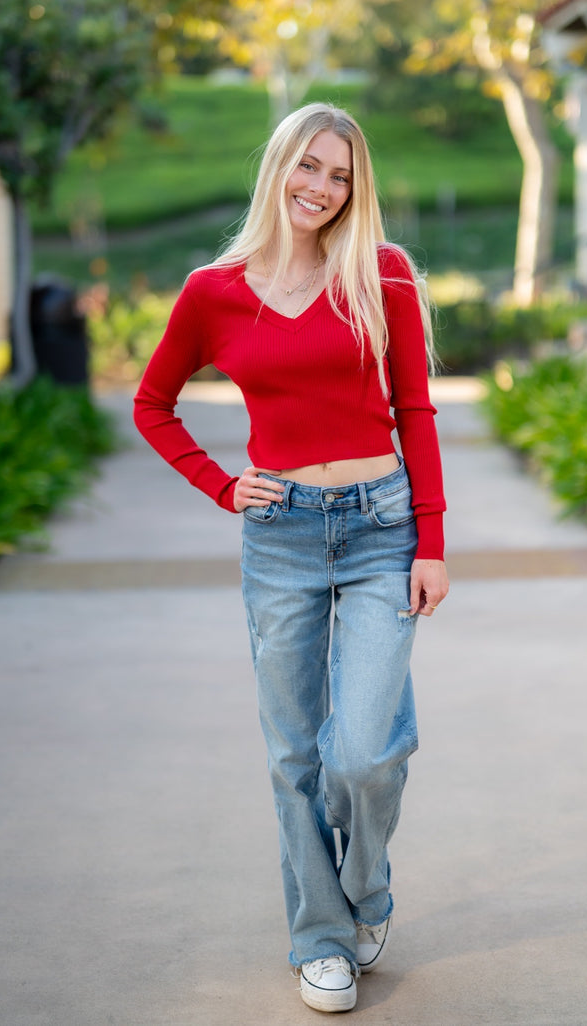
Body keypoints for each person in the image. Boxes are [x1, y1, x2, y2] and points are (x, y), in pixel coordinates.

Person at [133, 102, 448, 1013]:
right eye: (308, 167)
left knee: (362, 755)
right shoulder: (214, 290)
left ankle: (369, 885)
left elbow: (416, 412)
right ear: (278, 168)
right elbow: (155, 404)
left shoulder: (381, 274)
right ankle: (322, 940)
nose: (321, 187)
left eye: (340, 175)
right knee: (292, 755)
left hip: (383, 523)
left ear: (356, 190)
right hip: (282, 539)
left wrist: (432, 540)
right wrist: (222, 485)